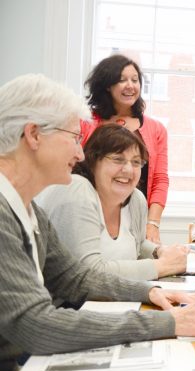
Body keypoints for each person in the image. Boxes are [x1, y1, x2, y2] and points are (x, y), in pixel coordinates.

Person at [0, 74, 195, 371]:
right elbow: (36, 324)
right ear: (33, 135)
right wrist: (167, 323)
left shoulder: (31, 212)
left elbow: (76, 278)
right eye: (73, 137)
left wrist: (150, 292)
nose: (79, 153)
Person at [36, 124, 188, 281]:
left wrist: (160, 252)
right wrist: (163, 266)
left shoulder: (136, 198)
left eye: (136, 162)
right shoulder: (76, 189)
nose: (128, 170)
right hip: (67, 304)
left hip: (114, 301)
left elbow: (138, 245)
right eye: (118, 159)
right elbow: (88, 273)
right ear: (93, 161)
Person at [81, 54, 168, 243]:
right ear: (107, 85)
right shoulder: (85, 124)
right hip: (91, 214)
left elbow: (160, 180)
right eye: (122, 80)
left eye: (135, 80)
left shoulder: (156, 129)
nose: (131, 85)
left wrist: (152, 223)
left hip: (136, 219)